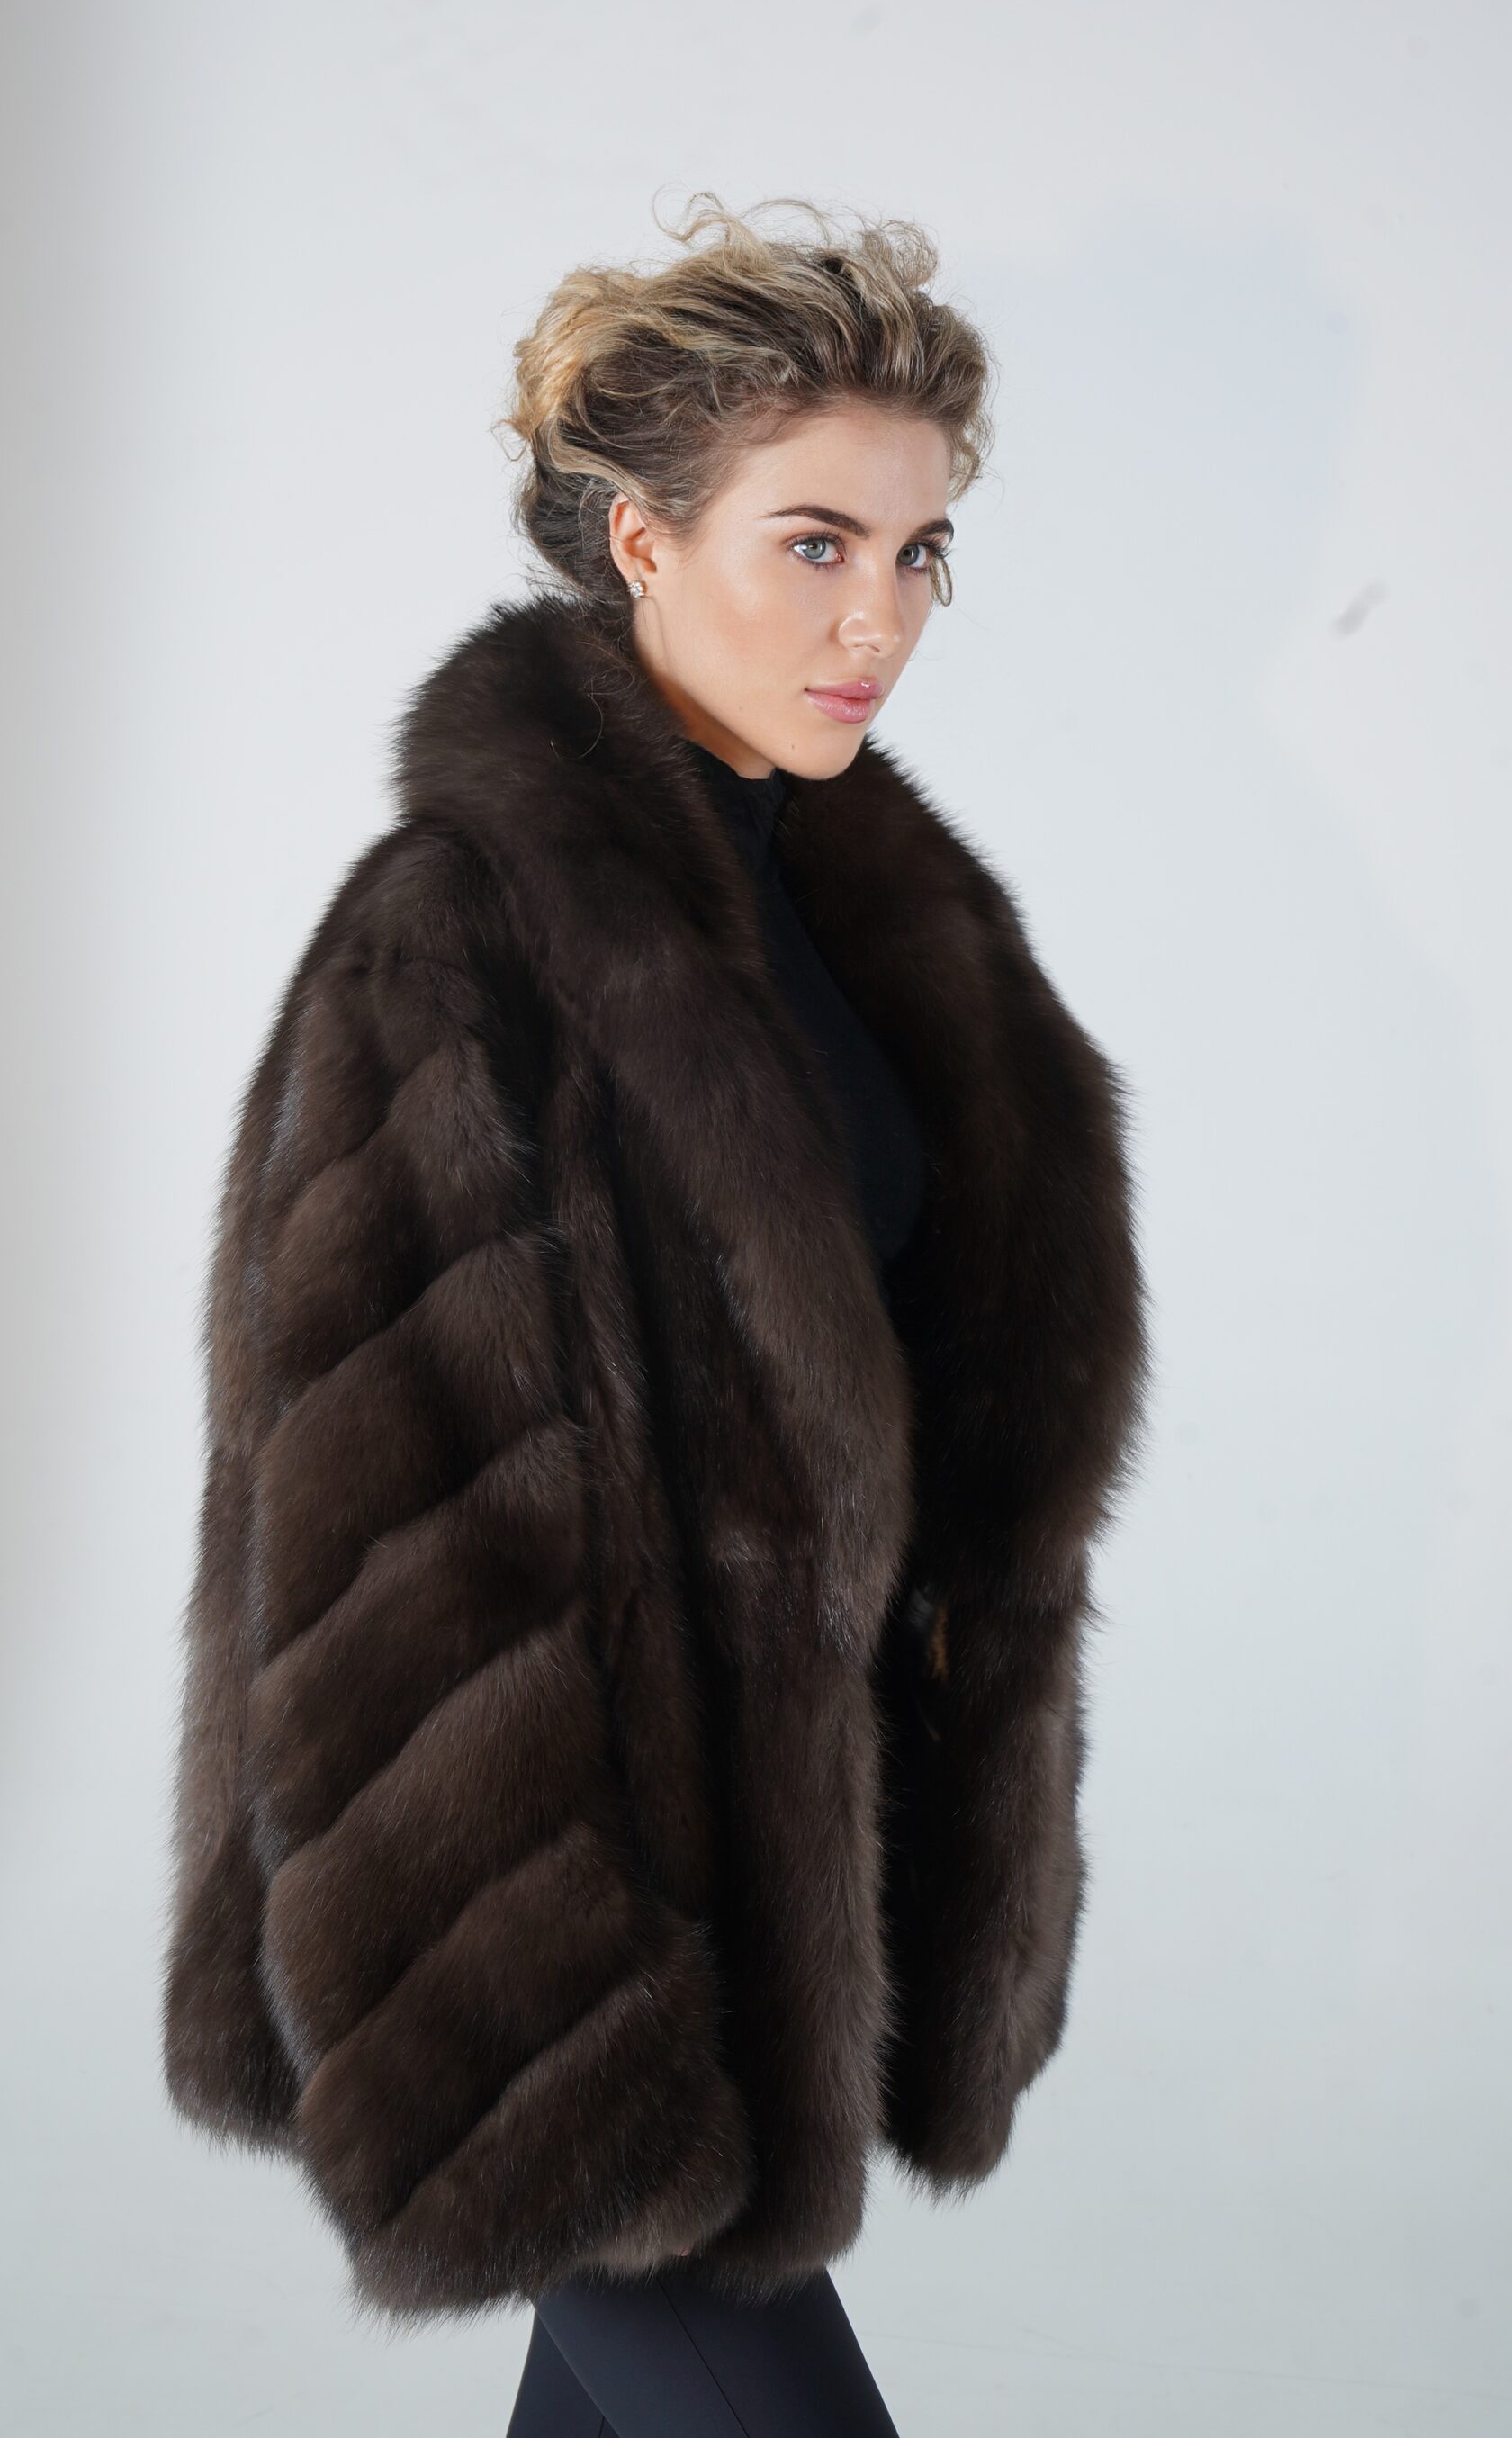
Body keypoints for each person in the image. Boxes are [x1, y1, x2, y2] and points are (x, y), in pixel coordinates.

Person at [159, 193, 1151, 2434]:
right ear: (636, 537)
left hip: (763, 1909)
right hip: (551, 1961)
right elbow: (387, 1536)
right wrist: (550, 2024)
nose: (880, 615)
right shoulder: (458, 938)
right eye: (815, 542)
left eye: (920, 552)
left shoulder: (888, 935)